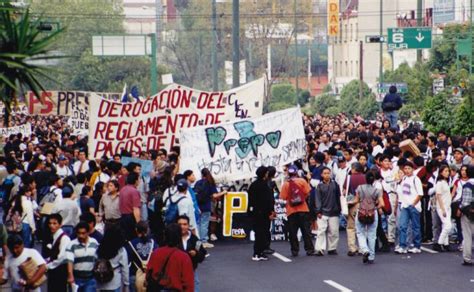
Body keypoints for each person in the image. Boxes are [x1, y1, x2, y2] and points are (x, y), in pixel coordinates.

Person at [146, 223, 194, 291]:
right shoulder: (184, 257)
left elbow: (149, 273)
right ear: (179, 237)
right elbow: (188, 283)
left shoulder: (156, 253)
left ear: (165, 236)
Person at [279, 165, 315, 256]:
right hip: (303, 209)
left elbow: (283, 197)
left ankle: (294, 250)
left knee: (292, 232)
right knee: (306, 231)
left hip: (291, 210)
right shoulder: (302, 181)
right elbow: (307, 193)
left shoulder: (286, 184)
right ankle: (309, 249)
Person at [352, 172, 385, 264]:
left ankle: (364, 249)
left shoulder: (360, 188)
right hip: (372, 213)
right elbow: (382, 204)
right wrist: (374, 208)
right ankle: (371, 256)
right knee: (372, 235)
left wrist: (349, 202)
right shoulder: (377, 190)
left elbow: (356, 200)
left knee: (360, 232)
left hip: (361, 212)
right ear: (373, 180)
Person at [395, 161, 423, 254]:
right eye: (405, 169)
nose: (407, 170)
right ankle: (402, 245)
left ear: (413, 169)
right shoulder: (404, 179)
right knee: (402, 226)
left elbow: (420, 194)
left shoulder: (416, 179)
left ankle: (417, 246)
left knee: (415, 227)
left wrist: (413, 204)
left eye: (409, 168)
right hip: (405, 205)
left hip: (413, 206)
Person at [194, 168, 226, 248]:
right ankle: (204, 241)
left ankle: (198, 241)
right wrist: (223, 192)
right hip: (206, 205)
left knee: (198, 224)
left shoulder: (198, 183)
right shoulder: (210, 183)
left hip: (198, 206)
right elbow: (215, 195)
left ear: (202, 174)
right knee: (204, 224)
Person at [248, 166, 274, 261]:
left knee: (259, 233)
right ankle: (257, 253)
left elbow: (251, 200)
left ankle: (260, 252)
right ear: (264, 174)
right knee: (261, 234)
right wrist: (270, 211)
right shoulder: (264, 186)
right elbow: (267, 201)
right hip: (262, 214)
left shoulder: (253, 185)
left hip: (255, 213)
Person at [314, 167, 342, 256]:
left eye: (328, 173)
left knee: (334, 231)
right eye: (325, 173)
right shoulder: (319, 186)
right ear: (322, 175)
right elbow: (317, 199)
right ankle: (320, 249)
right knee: (321, 231)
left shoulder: (335, 184)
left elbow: (339, 197)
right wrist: (318, 211)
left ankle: (332, 248)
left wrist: (339, 208)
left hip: (334, 211)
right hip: (323, 211)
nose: (327, 175)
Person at [66, 221, 99, 292]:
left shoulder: (94, 243)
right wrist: (71, 276)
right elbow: (70, 261)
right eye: (79, 233)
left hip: (90, 279)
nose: (81, 236)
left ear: (88, 232)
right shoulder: (71, 245)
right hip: (77, 279)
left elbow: (97, 259)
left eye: (83, 233)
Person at [96, 224, 129, 292]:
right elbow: (125, 269)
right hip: (115, 283)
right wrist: (126, 284)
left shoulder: (99, 248)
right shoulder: (121, 250)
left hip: (101, 284)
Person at [177, 215, 207, 292]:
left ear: (188, 225)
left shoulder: (195, 239)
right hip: (175, 272)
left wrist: (196, 254)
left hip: (191, 271)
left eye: (184, 224)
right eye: (180, 224)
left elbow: (202, 255)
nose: (182, 227)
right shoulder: (172, 238)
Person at [126, 221, 157, 292]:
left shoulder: (131, 244)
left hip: (135, 277)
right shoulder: (153, 243)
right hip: (150, 277)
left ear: (136, 230)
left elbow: (127, 262)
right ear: (147, 230)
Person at [42, 213, 71, 291]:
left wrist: (48, 266)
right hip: (53, 271)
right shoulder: (54, 236)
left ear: (60, 224)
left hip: (60, 272)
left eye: (55, 223)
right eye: (50, 223)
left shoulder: (64, 238)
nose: (52, 226)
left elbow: (61, 257)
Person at [344, 162, 366, 256]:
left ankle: (352, 248)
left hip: (352, 203)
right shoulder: (365, 177)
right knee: (363, 227)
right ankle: (363, 247)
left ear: (353, 169)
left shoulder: (349, 178)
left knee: (351, 226)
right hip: (364, 204)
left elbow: (345, 190)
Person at [457, 165, 474, 266]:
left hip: (469, 213)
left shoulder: (468, 185)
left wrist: (459, 209)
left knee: (467, 235)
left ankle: (467, 258)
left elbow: (465, 202)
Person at [435, 165, 453, 251]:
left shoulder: (446, 182)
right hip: (442, 207)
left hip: (448, 206)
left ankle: (446, 243)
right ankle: (439, 243)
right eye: (445, 171)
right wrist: (442, 209)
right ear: (441, 172)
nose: (447, 173)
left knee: (445, 225)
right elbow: (438, 196)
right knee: (448, 225)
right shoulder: (439, 183)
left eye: (448, 171)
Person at [119, 172, 141, 240]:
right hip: (131, 218)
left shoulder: (122, 189)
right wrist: (139, 224)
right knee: (133, 238)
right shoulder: (134, 191)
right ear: (136, 181)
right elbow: (136, 209)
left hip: (123, 217)